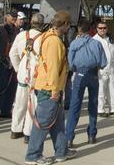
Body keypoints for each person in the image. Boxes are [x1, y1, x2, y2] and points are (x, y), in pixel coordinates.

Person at [25, 10, 76, 165]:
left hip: (52, 87)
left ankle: (61, 151)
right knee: (43, 123)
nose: (69, 28)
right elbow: (53, 67)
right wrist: (54, 90)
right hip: (49, 89)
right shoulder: (54, 41)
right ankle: (33, 155)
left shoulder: (49, 35)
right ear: (66, 24)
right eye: (69, 25)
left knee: (58, 122)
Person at [65, 19, 107, 147]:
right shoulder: (97, 44)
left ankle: (69, 138)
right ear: (91, 30)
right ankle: (91, 135)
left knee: (75, 106)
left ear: (79, 30)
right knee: (93, 106)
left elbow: (70, 64)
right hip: (93, 74)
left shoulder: (74, 44)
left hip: (79, 75)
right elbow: (103, 63)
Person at [10, 13, 46, 143]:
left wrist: (18, 68)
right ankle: (28, 133)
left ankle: (15, 129)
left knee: (19, 102)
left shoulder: (21, 35)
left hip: (22, 74)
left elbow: (12, 53)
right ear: (42, 24)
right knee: (32, 104)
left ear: (31, 22)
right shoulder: (43, 38)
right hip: (35, 76)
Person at [0, 10, 18, 122]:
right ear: (7, 17)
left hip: (12, 63)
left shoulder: (16, 30)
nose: (14, 18)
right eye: (12, 16)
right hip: (2, 61)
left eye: (15, 16)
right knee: (0, 88)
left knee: (12, 88)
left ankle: (6, 111)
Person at [93, 20, 114, 118]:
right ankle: (100, 109)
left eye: (104, 28)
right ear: (97, 29)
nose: (102, 30)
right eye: (100, 28)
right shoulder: (94, 40)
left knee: (113, 88)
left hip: (112, 68)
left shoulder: (110, 39)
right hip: (100, 69)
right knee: (101, 90)